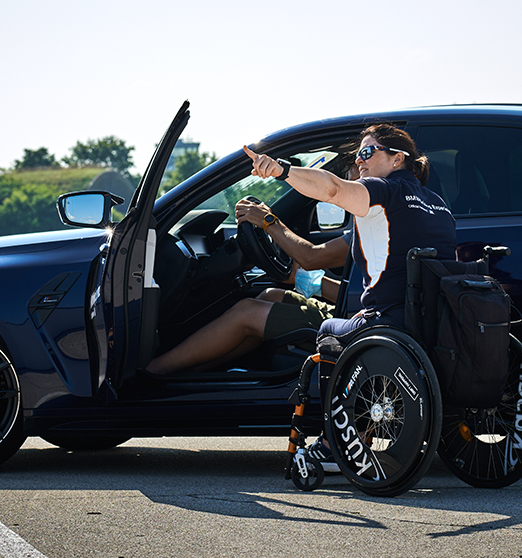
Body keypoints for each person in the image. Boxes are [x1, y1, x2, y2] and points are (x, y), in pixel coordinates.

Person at [247, 123, 455, 341]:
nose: (358, 160)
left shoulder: (382, 191)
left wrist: (282, 171)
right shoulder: (438, 203)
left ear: (397, 158)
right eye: (358, 154)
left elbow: (333, 188)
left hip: (388, 321)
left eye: (366, 152)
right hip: (429, 321)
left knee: (327, 328)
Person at [144, 193, 350, 375]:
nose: (357, 165)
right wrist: (308, 280)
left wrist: (269, 221)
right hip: (349, 310)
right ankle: (194, 368)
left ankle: (155, 369)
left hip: (354, 324)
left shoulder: (377, 228)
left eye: (367, 154)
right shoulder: (369, 225)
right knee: (271, 295)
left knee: (247, 311)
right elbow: (359, 292)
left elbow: (311, 257)